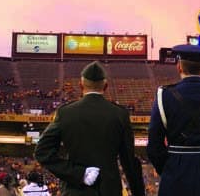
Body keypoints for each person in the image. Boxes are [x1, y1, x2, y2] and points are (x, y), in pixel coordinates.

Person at [35, 61, 145, 196]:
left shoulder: (66, 113)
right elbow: (129, 162)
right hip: (109, 190)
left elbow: (42, 152)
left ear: (81, 85)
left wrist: (79, 174)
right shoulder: (119, 114)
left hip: (75, 191)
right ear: (105, 86)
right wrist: (138, 192)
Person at [147, 45, 200, 196]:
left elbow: (154, 145)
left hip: (175, 172)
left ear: (179, 67)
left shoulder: (164, 96)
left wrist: (168, 168)